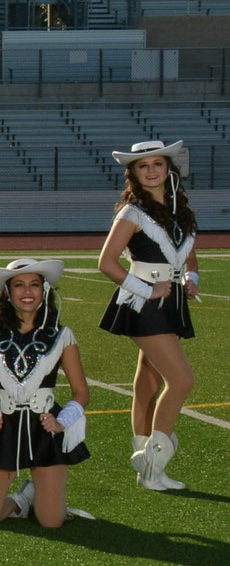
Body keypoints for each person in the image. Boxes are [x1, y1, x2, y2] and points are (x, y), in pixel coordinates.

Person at [99, 141, 198, 492]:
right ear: (135, 174)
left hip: (170, 303)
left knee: (148, 383)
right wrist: (148, 290)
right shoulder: (131, 213)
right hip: (143, 304)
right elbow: (106, 262)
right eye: (144, 166)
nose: (152, 170)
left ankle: (144, 460)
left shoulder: (179, 211)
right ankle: (154, 464)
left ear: (169, 169)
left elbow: (187, 254)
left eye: (158, 164)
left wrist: (190, 277)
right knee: (182, 381)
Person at [0, 259, 91, 527]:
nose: (27, 292)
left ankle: (46, 499)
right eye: (19, 285)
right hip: (2, 427)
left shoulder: (61, 335)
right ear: (7, 292)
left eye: (34, 285)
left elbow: (81, 391)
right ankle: (22, 500)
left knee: (51, 522)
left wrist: (62, 423)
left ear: (45, 290)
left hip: (45, 429)